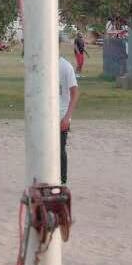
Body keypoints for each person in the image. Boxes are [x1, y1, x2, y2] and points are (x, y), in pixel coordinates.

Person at [58, 56, 79, 184]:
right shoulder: (41, 63)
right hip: (45, 117)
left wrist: (67, 117)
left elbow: (75, 93)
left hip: (61, 116)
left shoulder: (66, 66)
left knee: (60, 150)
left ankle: (62, 182)